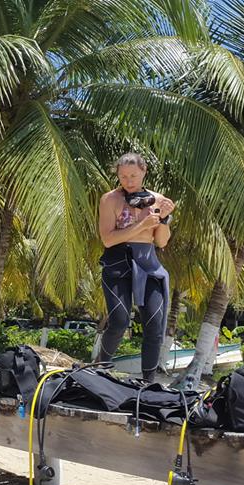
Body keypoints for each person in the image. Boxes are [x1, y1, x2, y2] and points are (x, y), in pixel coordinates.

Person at [97, 153, 176, 382]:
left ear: (144, 172)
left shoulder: (158, 200)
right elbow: (108, 239)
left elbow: (161, 241)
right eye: (123, 176)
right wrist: (142, 224)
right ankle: (101, 368)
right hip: (117, 261)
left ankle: (148, 383)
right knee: (119, 321)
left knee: (154, 324)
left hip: (147, 263)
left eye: (133, 175)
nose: (128, 181)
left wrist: (163, 219)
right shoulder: (109, 199)